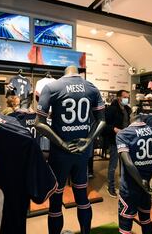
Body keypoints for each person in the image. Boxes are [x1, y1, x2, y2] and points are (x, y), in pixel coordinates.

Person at [35, 65, 106, 234]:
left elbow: (39, 123)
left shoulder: (51, 87)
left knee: (56, 201)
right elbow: (102, 121)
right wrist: (88, 140)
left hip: (60, 154)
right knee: (82, 197)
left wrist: (62, 143)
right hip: (82, 153)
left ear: (64, 72)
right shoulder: (91, 88)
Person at [116, 112, 152, 234]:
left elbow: (128, 163)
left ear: (130, 116)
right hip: (147, 183)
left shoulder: (123, 134)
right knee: (145, 218)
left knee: (125, 221)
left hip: (130, 186)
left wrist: (140, 182)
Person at [104, 90, 131, 197]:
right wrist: (114, 129)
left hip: (126, 140)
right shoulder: (112, 109)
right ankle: (110, 186)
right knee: (113, 164)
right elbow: (104, 124)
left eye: (128, 97)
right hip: (115, 140)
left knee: (125, 164)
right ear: (119, 97)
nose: (127, 99)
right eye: (125, 97)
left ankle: (124, 186)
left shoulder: (128, 109)